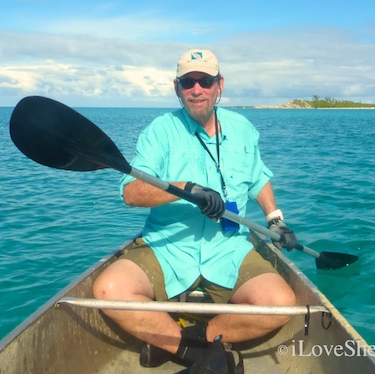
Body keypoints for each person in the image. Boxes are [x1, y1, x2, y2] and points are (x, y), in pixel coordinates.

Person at [92, 49, 298, 371]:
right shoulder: (159, 131)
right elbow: (131, 193)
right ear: (177, 88)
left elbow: (258, 178)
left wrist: (276, 220)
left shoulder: (243, 128)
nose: (197, 89)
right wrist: (185, 190)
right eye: (189, 82)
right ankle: (196, 353)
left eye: (205, 80)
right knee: (108, 289)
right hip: (167, 246)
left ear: (220, 85)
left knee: (281, 303)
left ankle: (183, 339)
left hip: (228, 247)